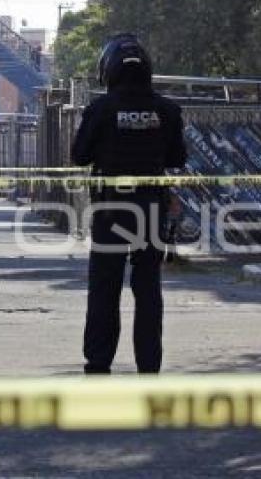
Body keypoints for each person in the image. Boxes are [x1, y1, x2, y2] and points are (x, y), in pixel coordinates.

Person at [71, 34, 187, 375]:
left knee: (105, 287)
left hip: (111, 209)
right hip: (151, 208)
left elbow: (79, 156)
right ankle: (149, 365)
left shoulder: (100, 110)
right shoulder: (166, 110)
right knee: (148, 286)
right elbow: (178, 157)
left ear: (108, 70)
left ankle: (98, 362)